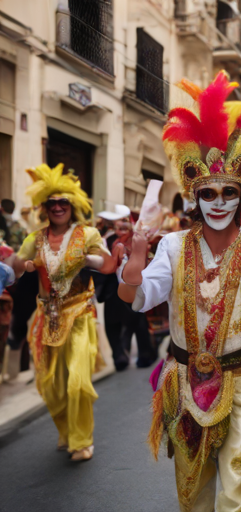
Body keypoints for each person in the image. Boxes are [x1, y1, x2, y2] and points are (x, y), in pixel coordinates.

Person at [118, 72, 241, 511]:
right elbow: (141, 298)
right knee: (191, 491)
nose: (218, 203)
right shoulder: (174, 246)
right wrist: (134, 264)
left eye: (227, 193)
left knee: (237, 490)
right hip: (184, 382)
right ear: (195, 199)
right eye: (208, 194)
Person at [13, 163, 122, 462]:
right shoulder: (34, 239)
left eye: (64, 202)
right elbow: (15, 269)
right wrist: (19, 266)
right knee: (51, 387)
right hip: (45, 318)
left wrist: (87, 258)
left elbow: (108, 266)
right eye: (52, 203)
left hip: (79, 316)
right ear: (44, 207)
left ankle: (82, 440)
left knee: (77, 382)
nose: (58, 207)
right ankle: (66, 432)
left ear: (72, 206)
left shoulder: (87, 234)